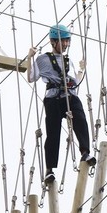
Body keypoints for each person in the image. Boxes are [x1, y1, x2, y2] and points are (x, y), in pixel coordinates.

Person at [27, 24, 96, 184]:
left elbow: (75, 82)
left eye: (67, 41)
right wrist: (30, 57)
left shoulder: (68, 61)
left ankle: (85, 152)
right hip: (53, 98)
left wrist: (81, 70)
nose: (65, 44)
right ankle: (49, 169)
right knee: (53, 131)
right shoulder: (43, 59)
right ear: (53, 42)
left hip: (70, 95)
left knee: (80, 118)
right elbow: (31, 77)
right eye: (62, 41)